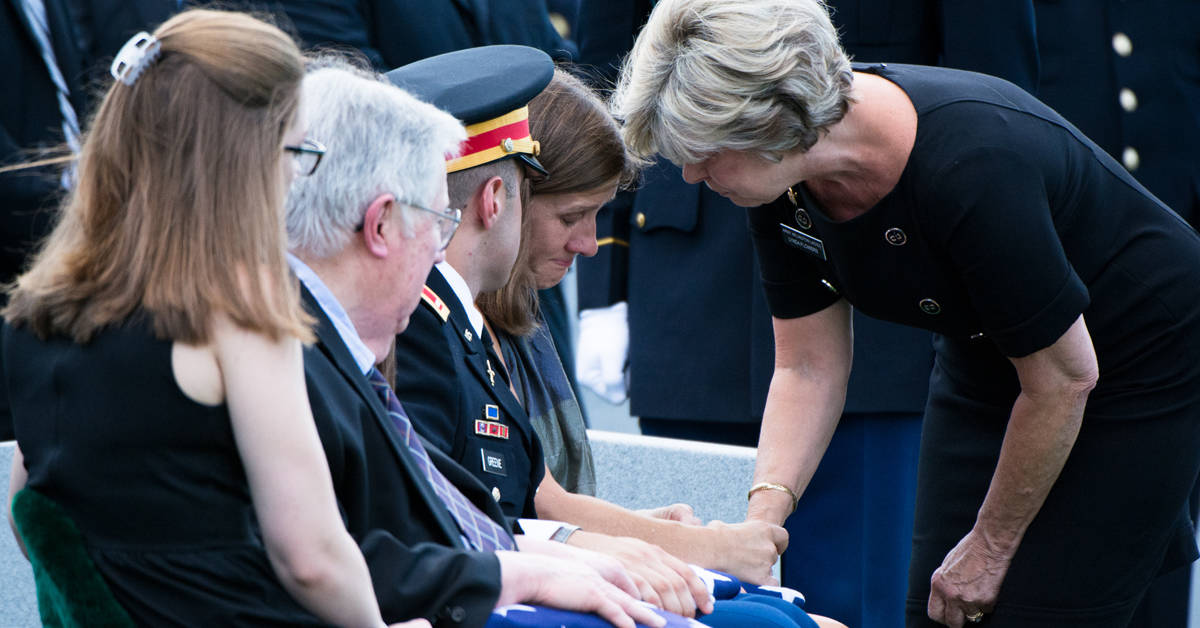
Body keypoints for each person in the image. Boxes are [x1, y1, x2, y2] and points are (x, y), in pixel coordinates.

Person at [611, 0, 1200, 626]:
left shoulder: (970, 160)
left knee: (1039, 606)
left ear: (775, 117)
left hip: (1137, 356)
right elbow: (809, 367)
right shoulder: (779, 177)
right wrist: (760, 527)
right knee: (935, 610)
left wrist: (992, 545)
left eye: (704, 151)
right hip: (991, 347)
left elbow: (1064, 377)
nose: (693, 174)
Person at [572, 1, 1039, 625]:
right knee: (691, 596)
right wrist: (607, 278)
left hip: (880, 288)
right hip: (689, 295)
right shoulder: (693, 173)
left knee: (858, 594)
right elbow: (610, 72)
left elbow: (989, 74)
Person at [1, 11, 404, 626]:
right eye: (294, 149)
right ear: (239, 156)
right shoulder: (235, 308)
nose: (295, 174)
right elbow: (311, 557)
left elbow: (31, 522)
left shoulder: (34, 313)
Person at [388, 45, 788, 596]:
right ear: (503, 198)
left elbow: (525, 499)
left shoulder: (486, 319)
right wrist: (693, 548)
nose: (589, 244)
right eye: (572, 215)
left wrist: (645, 535)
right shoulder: (425, 324)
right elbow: (458, 524)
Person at [285, 57, 667, 628]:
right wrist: (544, 562)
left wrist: (555, 556)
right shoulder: (346, 341)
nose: (439, 253)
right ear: (381, 222)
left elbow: (427, 520)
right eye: (435, 220)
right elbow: (341, 553)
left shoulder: (346, 336)